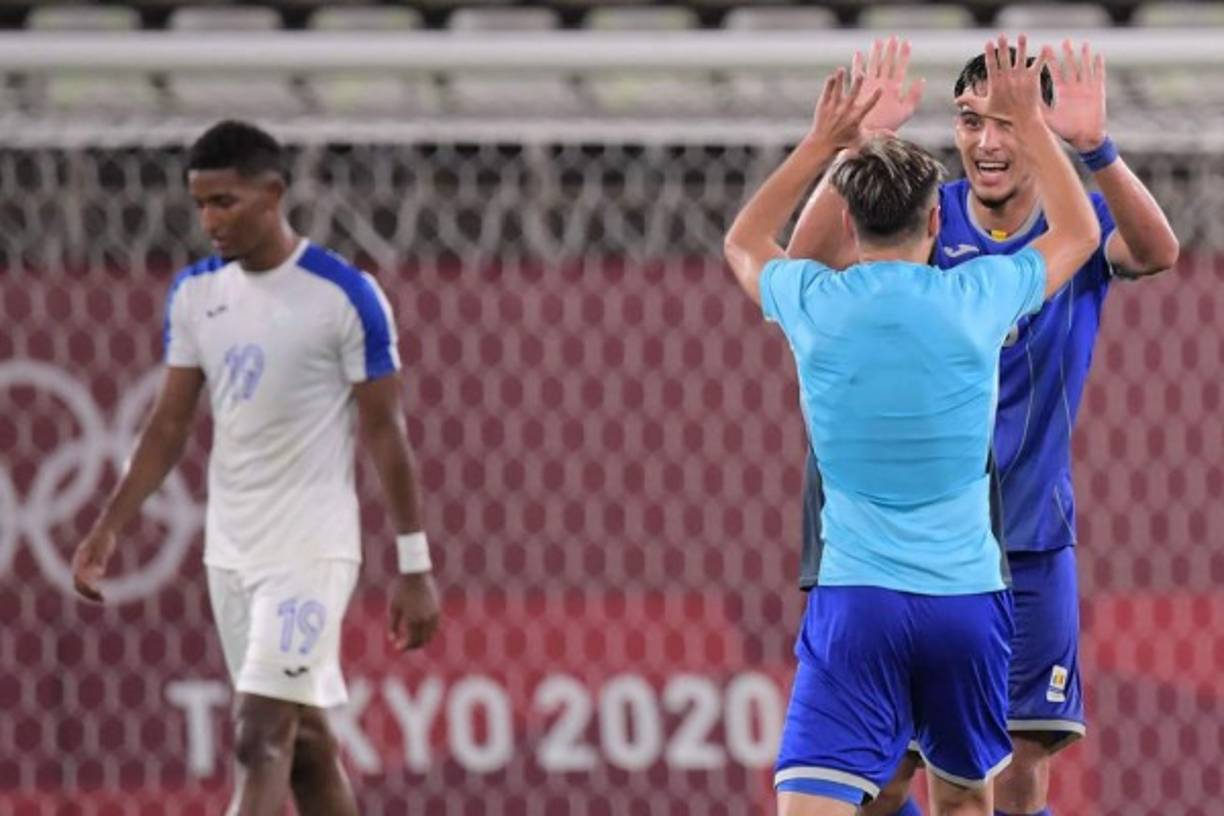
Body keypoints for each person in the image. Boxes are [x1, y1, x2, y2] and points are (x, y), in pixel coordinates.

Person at [786, 36, 1180, 816]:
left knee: (1021, 764)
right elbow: (805, 265)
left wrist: (1095, 146)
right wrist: (866, 146)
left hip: (1030, 531)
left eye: (1008, 122)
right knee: (891, 771)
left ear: (1036, 128)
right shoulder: (922, 220)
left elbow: (1158, 249)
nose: (987, 142)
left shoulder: (1081, 224)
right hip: (914, 540)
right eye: (970, 121)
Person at [725, 36, 1101, 816]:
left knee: (818, 802)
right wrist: (1029, 125)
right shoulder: (977, 300)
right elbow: (1079, 236)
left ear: (854, 220)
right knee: (964, 799)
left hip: (857, 594)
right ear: (938, 218)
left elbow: (744, 243)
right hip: (967, 598)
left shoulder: (813, 305)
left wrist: (830, 144)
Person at [69, 120, 442, 815]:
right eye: (200, 204)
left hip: (310, 553)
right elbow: (169, 425)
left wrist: (414, 566)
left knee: (255, 737)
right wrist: (108, 527)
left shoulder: (344, 295)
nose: (209, 220)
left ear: (273, 194)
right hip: (232, 553)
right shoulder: (195, 296)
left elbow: (386, 434)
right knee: (303, 747)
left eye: (225, 202)